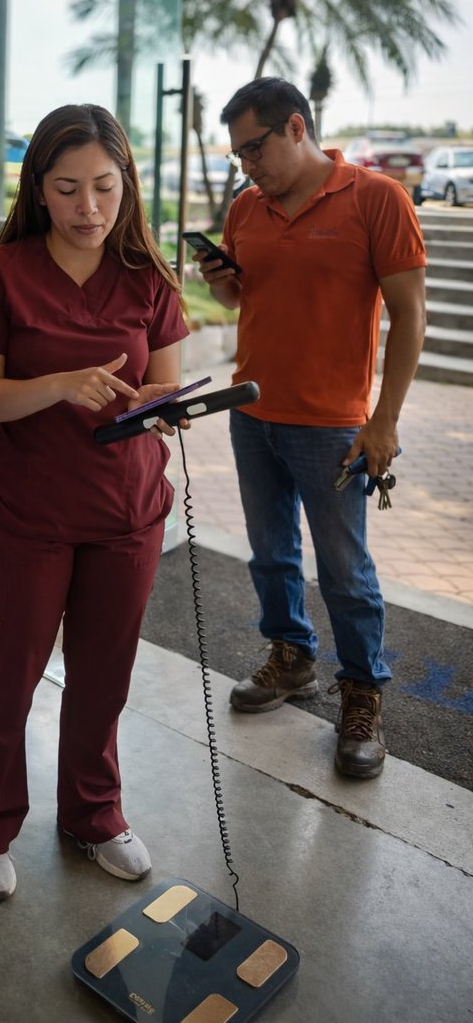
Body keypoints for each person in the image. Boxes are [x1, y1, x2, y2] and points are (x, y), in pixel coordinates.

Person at [0, 103, 189, 901]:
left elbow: (165, 384)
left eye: (106, 187)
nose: (90, 208)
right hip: (29, 517)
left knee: (104, 676)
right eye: (69, 188)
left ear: (127, 186)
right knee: (8, 675)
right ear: (39, 191)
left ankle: (94, 814)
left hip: (128, 515)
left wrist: (169, 404)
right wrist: (58, 385)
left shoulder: (151, 278)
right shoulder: (3, 273)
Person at [195, 77, 426, 780]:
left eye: (254, 148)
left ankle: (361, 694)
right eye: (237, 155)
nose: (247, 166)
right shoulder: (245, 208)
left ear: (296, 127)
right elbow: (244, 296)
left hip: (332, 425)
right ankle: (292, 659)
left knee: (345, 570)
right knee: (270, 554)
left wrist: (383, 422)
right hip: (252, 410)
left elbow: (410, 315)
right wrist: (219, 281)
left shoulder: (377, 199)